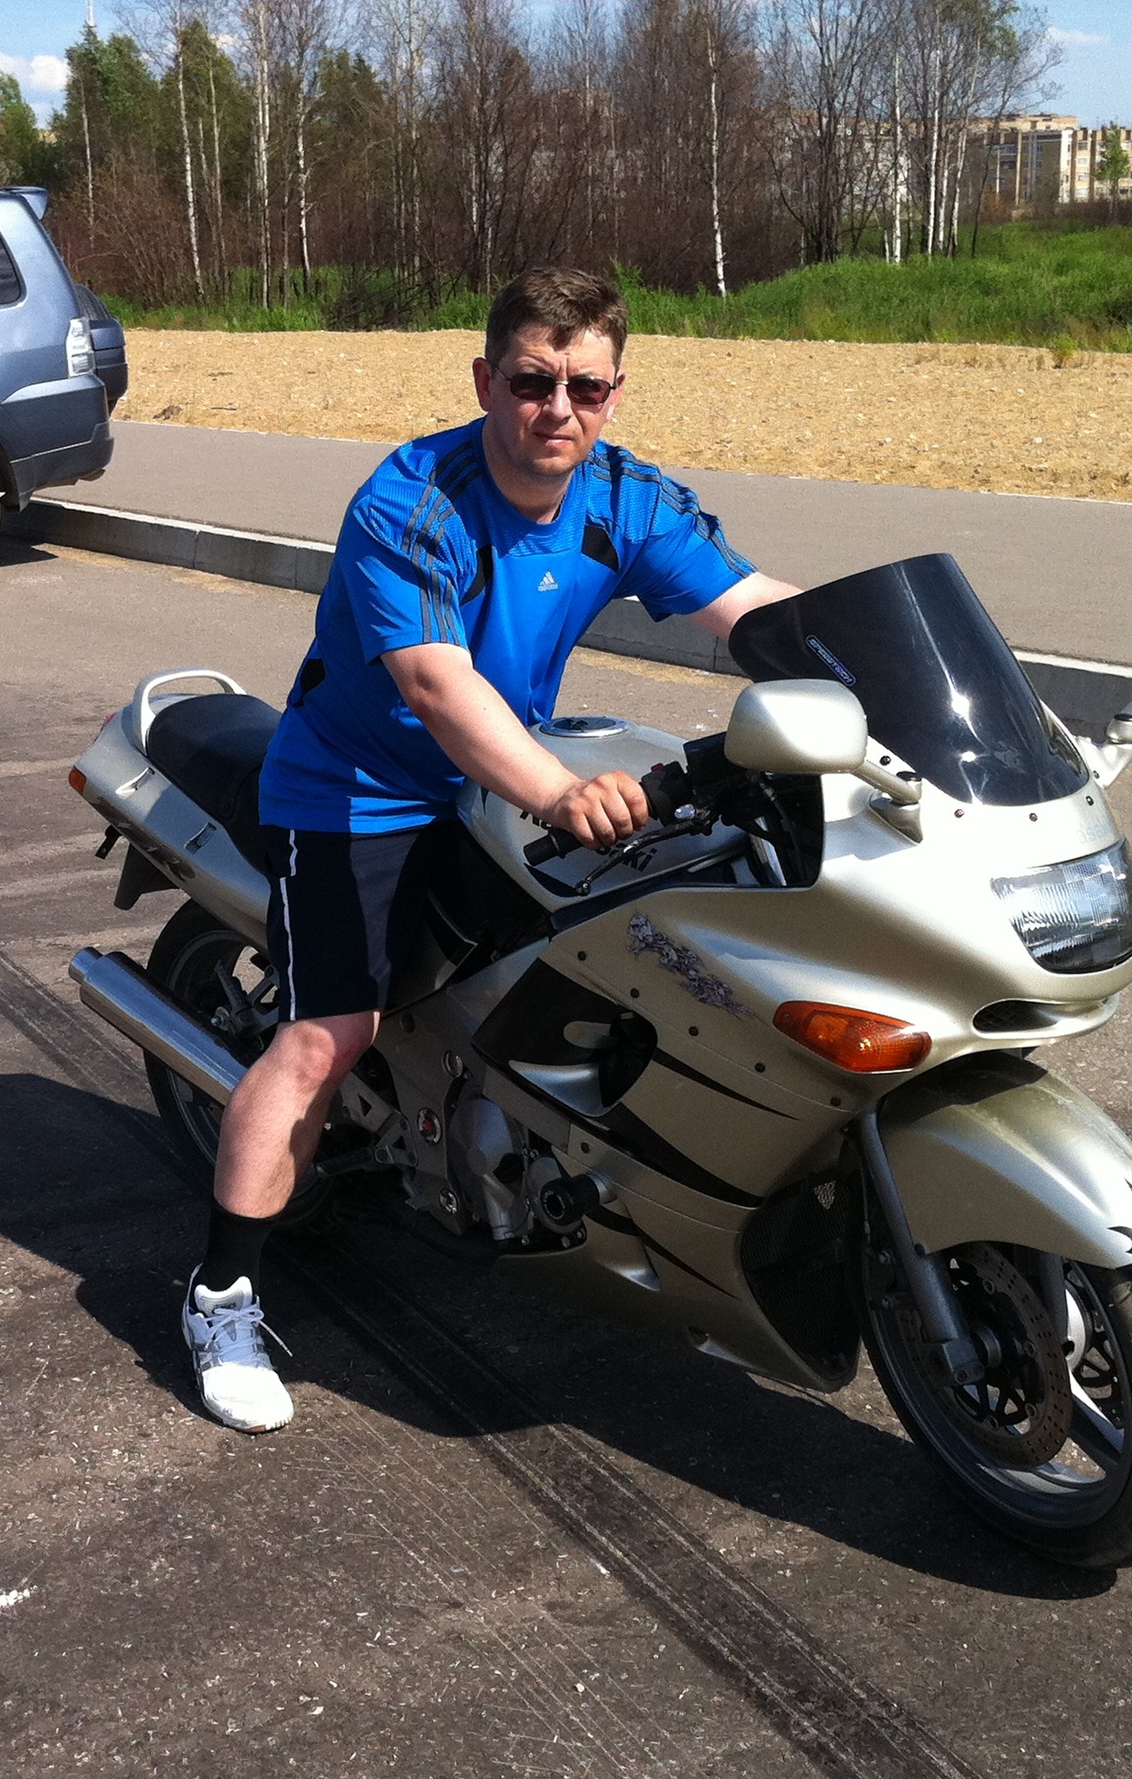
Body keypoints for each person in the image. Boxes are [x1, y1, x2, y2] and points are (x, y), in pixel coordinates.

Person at [181, 266, 803, 1432]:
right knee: (326, 1036)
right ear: (484, 380)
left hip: (503, 774)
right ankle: (221, 1294)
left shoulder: (622, 496)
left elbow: (752, 609)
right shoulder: (412, 499)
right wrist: (558, 791)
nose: (556, 408)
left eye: (584, 386)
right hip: (360, 792)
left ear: (614, 392)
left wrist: (883, 685)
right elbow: (433, 683)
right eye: (530, 380)